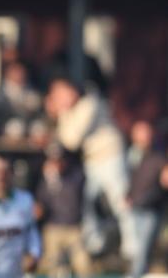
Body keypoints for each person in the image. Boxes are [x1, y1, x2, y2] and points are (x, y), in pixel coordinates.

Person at [45, 75, 131, 260]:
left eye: (61, 93)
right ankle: (95, 244)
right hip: (92, 160)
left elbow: (70, 140)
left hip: (110, 156)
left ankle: (132, 246)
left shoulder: (90, 103)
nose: (59, 98)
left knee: (121, 201)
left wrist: (61, 113)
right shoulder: (74, 110)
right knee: (86, 202)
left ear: (72, 90)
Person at [35, 145, 92, 278]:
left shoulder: (76, 177)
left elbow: (75, 197)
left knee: (83, 265)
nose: (56, 165)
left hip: (74, 228)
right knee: (52, 266)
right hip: (53, 227)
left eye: (59, 160)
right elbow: (41, 204)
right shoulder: (45, 181)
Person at [125, 121, 167, 277]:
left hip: (151, 209)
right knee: (134, 247)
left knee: (143, 247)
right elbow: (130, 180)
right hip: (135, 208)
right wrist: (127, 196)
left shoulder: (159, 154)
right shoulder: (132, 155)